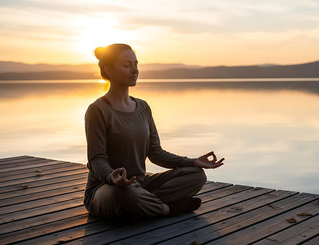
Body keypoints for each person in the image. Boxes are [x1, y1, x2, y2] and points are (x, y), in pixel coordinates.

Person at [83, 43, 224, 219]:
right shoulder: (97, 110)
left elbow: (155, 153)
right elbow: (96, 160)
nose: (134, 70)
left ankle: (145, 204)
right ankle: (168, 209)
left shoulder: (142, 107)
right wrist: (112, 177)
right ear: (108, 70)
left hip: (140, 185)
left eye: (136, 64)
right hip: (106, 188)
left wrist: (194, 162)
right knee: (125, 195)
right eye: (127, 65)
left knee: (196, 176)